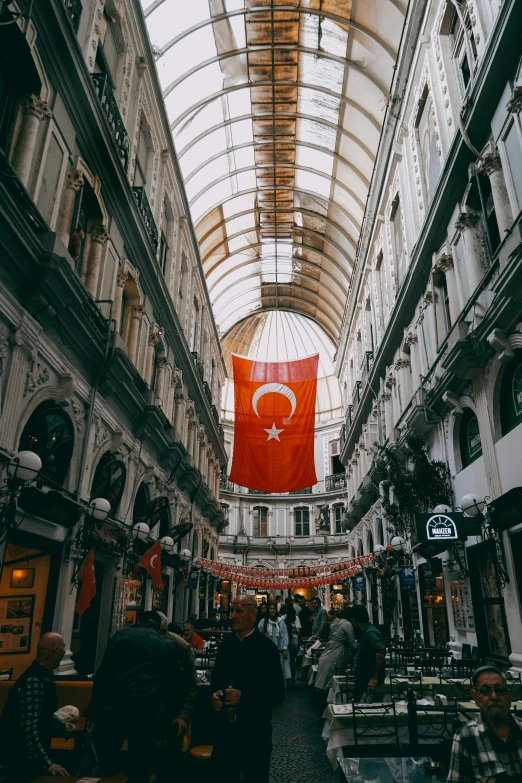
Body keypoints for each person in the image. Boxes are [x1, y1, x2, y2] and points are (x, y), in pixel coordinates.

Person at [88, 611, 186, 783]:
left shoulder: (121, 636)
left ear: (138, 622)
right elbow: (175, 682)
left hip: (115, 709)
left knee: (106, 765)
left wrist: (94, 711)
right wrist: (173, 714)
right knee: (140, 768)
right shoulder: (164, 644)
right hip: (145, 712)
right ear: (159, 626)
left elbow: (104, 674)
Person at [211, 595, 285, 782]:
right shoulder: (226, 645)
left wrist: (244, 697)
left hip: (255, 731)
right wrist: (214, 695)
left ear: (253, 615)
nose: (232, 616)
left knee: (255, 776)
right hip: (226, 731)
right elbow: (216, 680)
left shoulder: (266, 649)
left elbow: (277, 693)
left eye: (238, 611)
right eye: (231, 611)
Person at [0, 633, 71, 782]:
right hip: (15, 762)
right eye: (63, 648)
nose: (65, 652)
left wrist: (61, 724)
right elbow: (28, 729)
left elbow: (40, 714)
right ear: (56, 651)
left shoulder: (41, 676)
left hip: (24, 758)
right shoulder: (34, 681)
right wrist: (47, 764)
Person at [447, 665, 522, 781]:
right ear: (476, 697)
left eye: (500, 690)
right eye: (485, 691)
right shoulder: (466, 738)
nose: (494, 696)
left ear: (509, 696)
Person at [314, 608, 356, 713]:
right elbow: (352, 643)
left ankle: (321, 712)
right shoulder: (347, 624)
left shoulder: (335, 623)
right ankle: (333, 710)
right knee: (335, 684)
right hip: (337, 655)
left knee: (322, 686)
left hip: (326, 654)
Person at [351, 605, 386, 702]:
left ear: (353, 619)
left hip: (370, 683)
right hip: (364, 680)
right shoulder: (364, 632)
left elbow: (380, 652)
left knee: (367, 713)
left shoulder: (370, 632)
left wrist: (374, 678)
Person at [258, 603, 291, 685]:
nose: (272, 611)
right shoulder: (263, 621)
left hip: (279, 649)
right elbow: (259, 634)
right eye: (271, 609)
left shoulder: (280, 621)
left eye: (274, 609)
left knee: (279, 668)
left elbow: (285, 635)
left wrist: (284, 648)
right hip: (267, 650)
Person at [281, 603, 301, 687]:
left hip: (285, 640)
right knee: (293, 660)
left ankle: (287, 678)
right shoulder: (296, 618)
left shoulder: (282, 618)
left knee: (286, 661)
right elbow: (298, 631)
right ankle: (293, 678)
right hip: (294, 640)